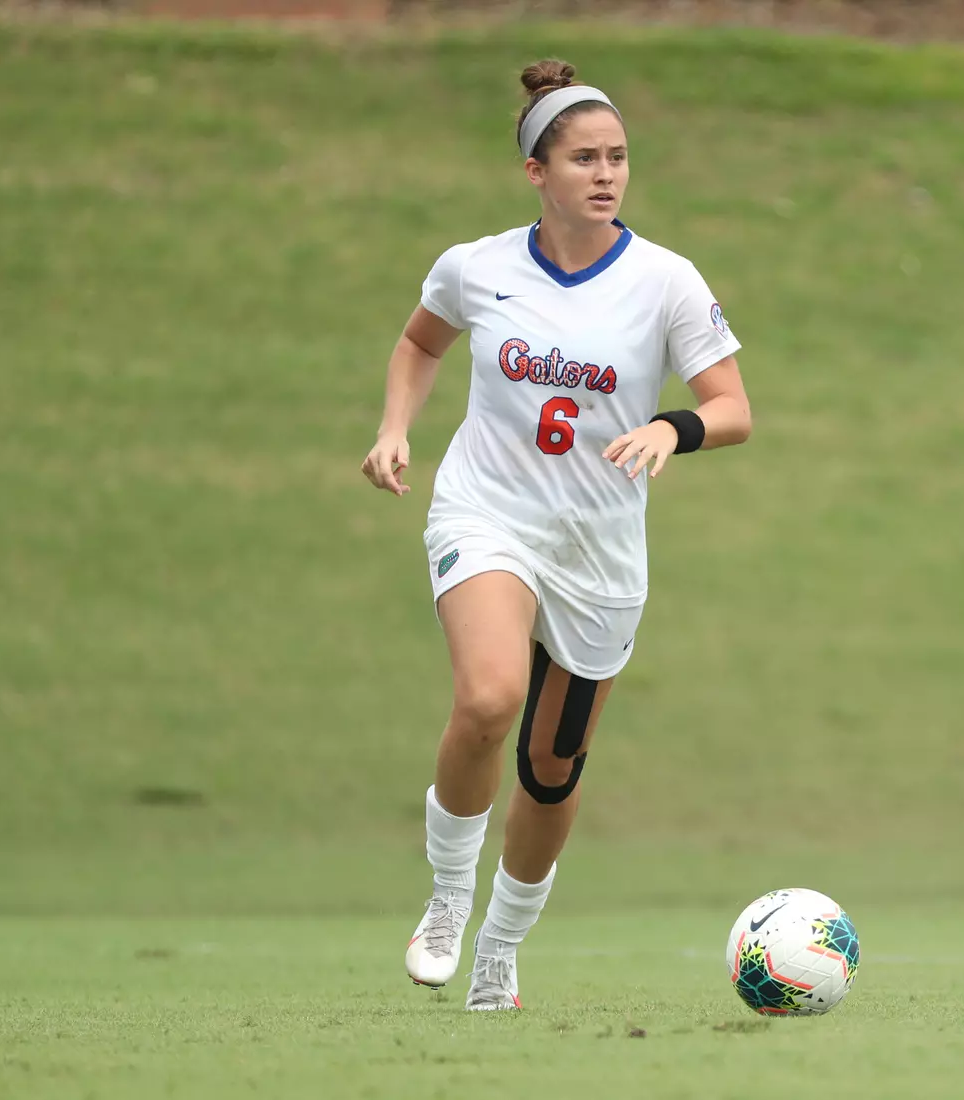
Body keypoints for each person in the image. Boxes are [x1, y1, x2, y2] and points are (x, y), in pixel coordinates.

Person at [359, 58, 751, 1011]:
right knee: (489, 698)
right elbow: (420, 342)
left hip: (599, 549)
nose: (605, 173)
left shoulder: (665, 281)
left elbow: (733, 407)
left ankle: (501, 945)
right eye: (583, 158)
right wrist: (394, 428)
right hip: (487, 511)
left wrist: (670, 427)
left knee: (549, 765)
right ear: (537, 171)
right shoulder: (477, 266)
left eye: (617, 156)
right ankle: (449, 900)